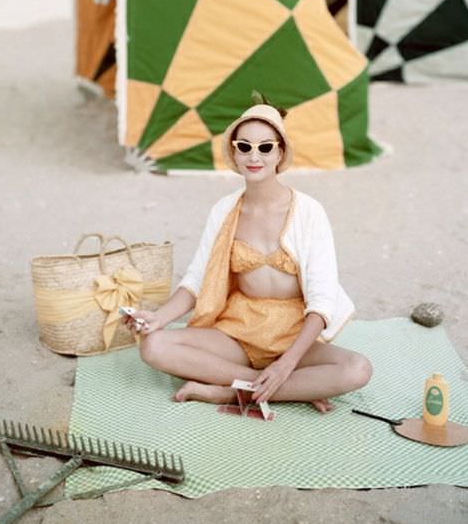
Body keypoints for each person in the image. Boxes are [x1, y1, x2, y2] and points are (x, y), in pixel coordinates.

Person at [126, 102, 372, 412]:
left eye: (265, 147)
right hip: (239, 330)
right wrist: (158, 318)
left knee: (357, 369)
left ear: (280, 153)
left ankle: (226, 392)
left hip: (294, 333)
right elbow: (197, 280)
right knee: (154, 346)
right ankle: (270, 386)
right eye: (245, 147)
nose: (254, 157)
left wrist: (285, 365)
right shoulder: (224, 209)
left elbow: (323, 302)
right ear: (235, 152)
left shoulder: (309, 211)